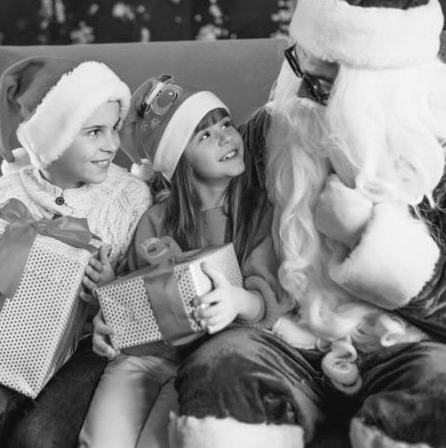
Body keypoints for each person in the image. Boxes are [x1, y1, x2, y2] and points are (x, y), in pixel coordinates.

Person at [172, 0, 446, 447]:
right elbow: (193, 219)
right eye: (298, 60)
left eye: (322, 85)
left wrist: (368, 236)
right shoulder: (270, 131)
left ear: (381, 87)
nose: (299, 88)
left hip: (408, 346)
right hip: (285, 334)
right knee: (218, 379)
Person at [0, 56, 152, 448]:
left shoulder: (130, 198)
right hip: (4, 338)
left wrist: (109, 289)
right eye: (93, 131)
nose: (112, 144)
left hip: (85, 349)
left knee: (40, 436)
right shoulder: (6, 192)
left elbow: (141, 300)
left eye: (114, 128)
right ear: (53, 137)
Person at [79, 75, 292, 448]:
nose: (226, 137)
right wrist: (108, 299)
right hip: (151, 354)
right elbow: (134, 296)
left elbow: (270, 296)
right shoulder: (157, 219)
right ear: (178, 158)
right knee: (103, 440)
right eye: (204, 135)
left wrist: (238, 301)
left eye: (225, 123)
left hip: (214, 360)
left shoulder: (260, 209)